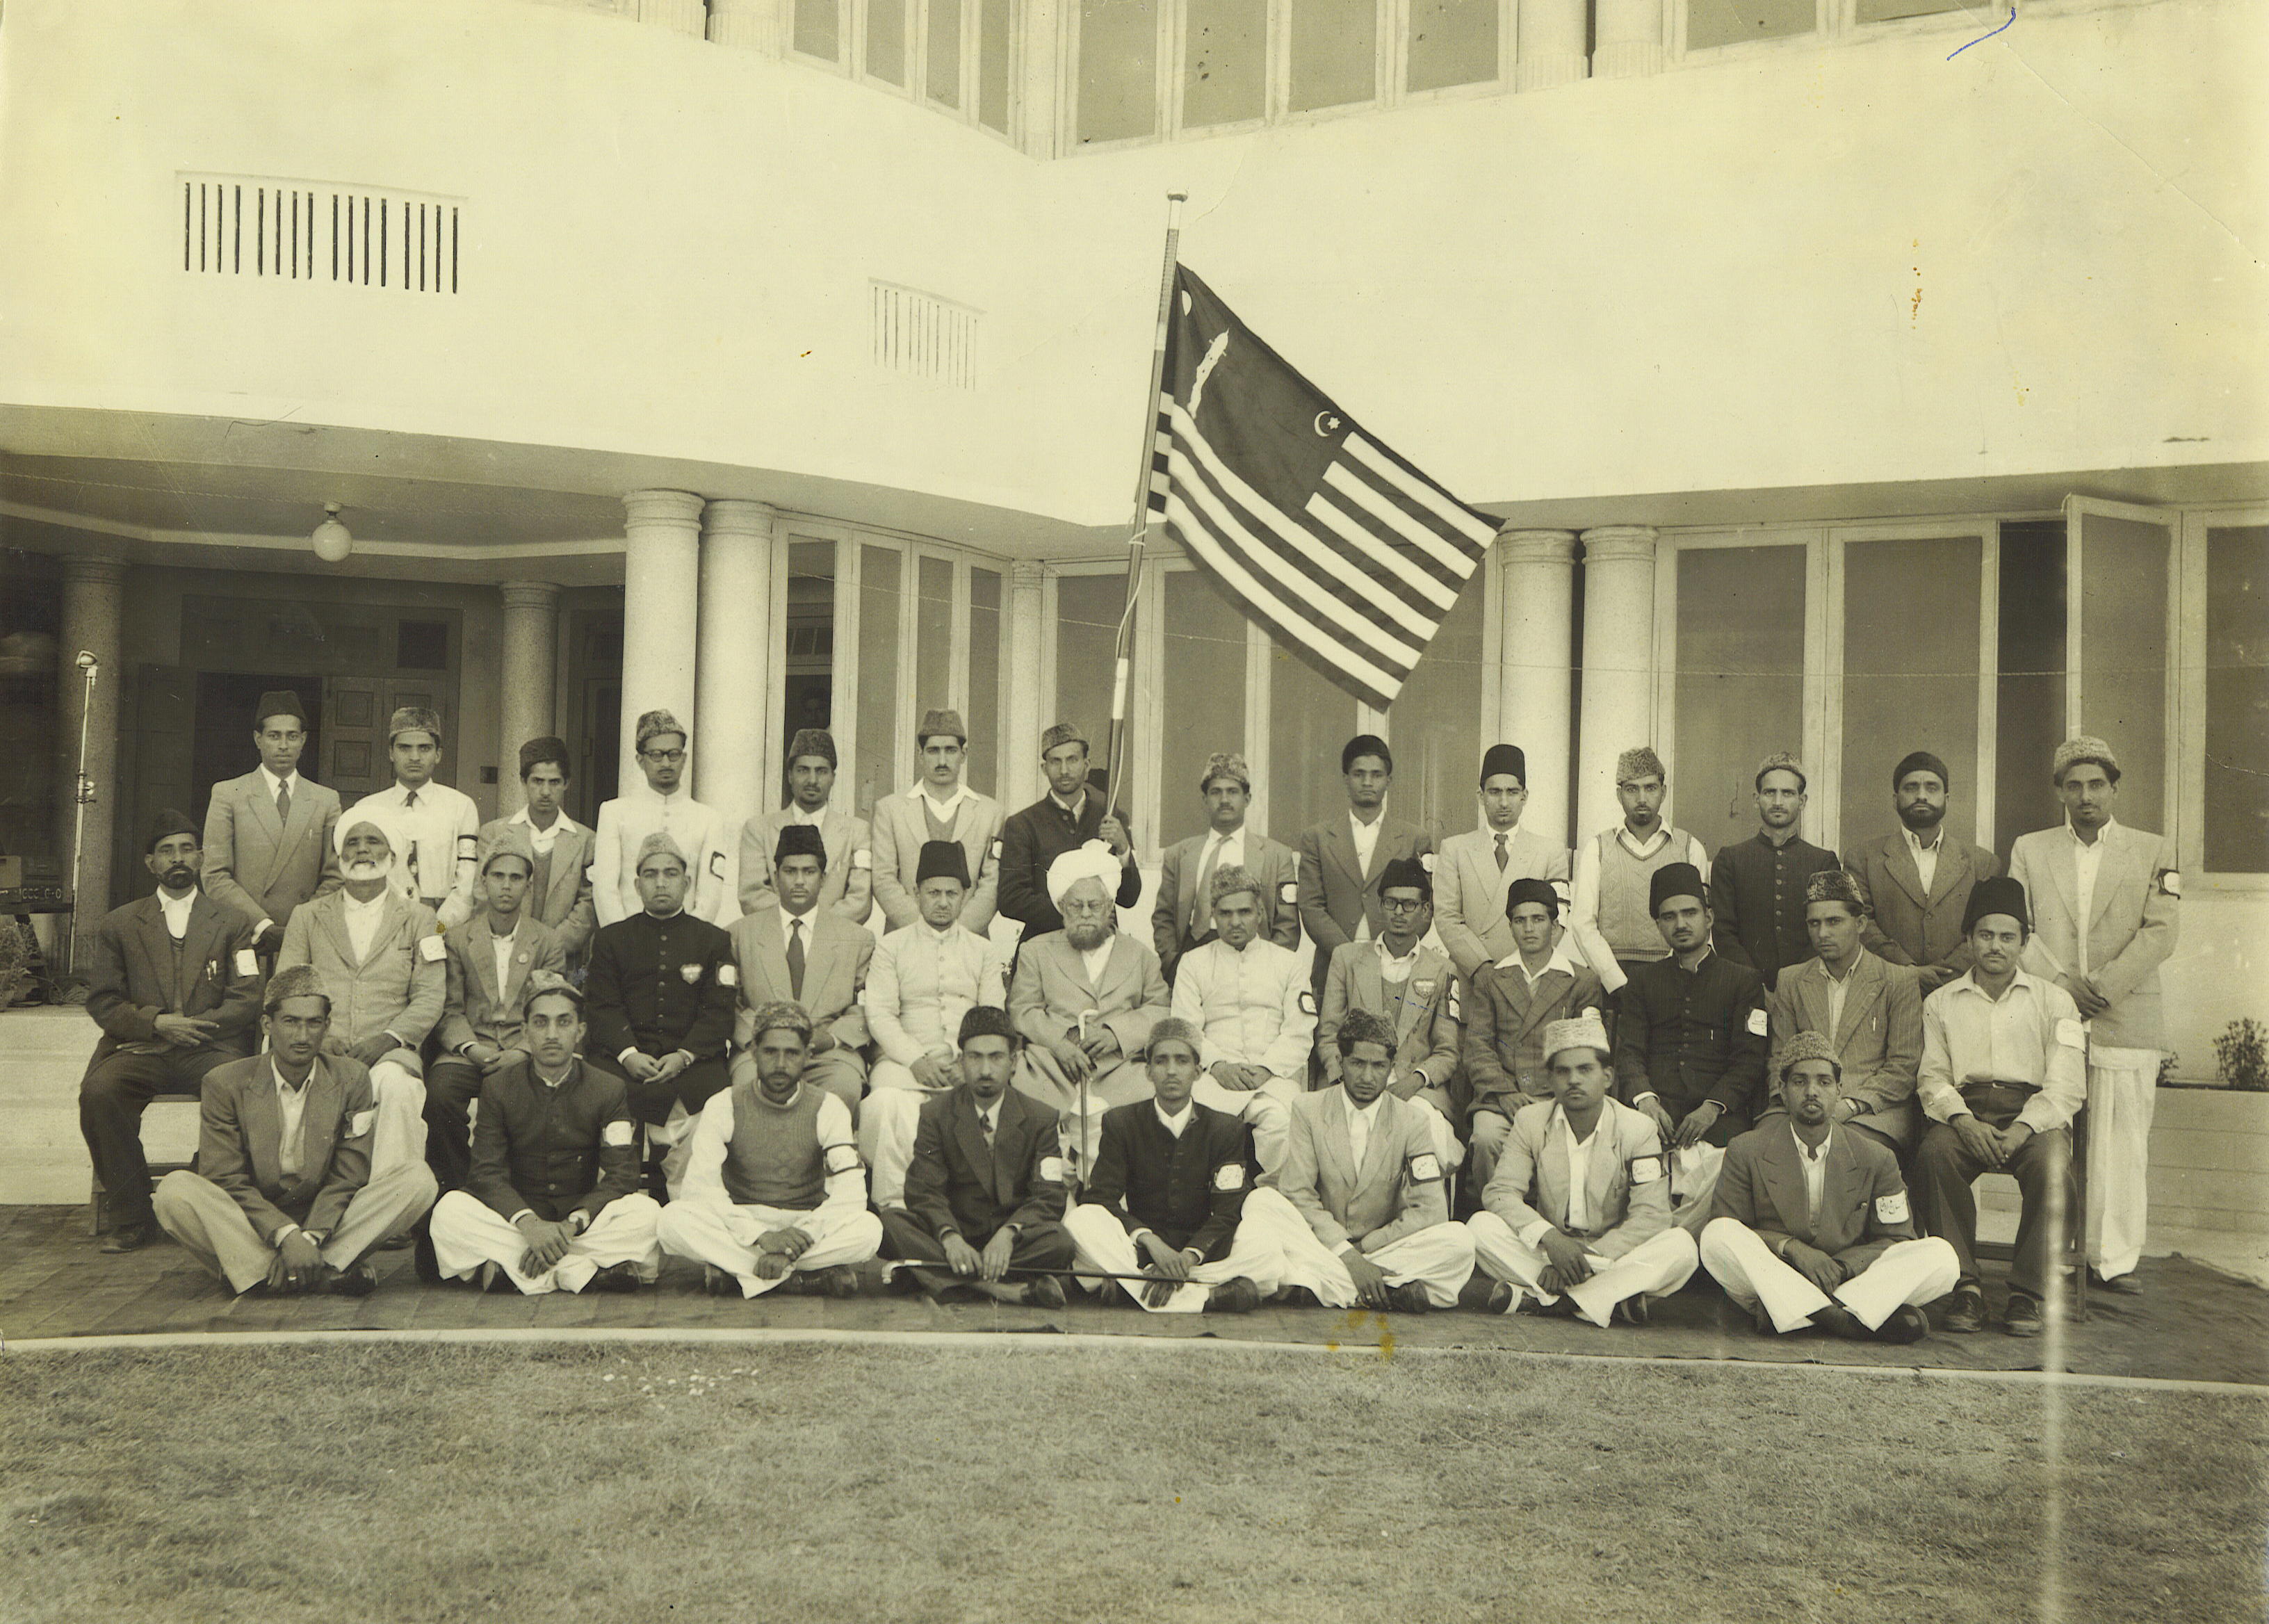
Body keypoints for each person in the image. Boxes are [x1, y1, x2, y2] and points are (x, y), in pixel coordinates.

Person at [2007, 736, 2178, 1297]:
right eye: (2074, 785)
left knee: (2122, 1138)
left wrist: (2099, 987)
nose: (2086, 796)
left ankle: (2114, 1260)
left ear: (2114, 788)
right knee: (2055, 1138)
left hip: (2124, 1013)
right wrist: (2059, 986)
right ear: (2060, 791)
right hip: (2050, 1013)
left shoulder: (2151, 849)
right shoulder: (2030, 849)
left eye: (2097, 785)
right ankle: (2055, 1256)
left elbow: (2161, 932)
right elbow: (2020, 925)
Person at [152, 966, 438, 1296]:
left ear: (327, 1026)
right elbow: (225, 1177)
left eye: (314, 1023)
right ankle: (316, 1272)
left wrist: (310, 1236)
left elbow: (350, 1175)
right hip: (252, 1219)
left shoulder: (353, 1078)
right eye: (291, 1022)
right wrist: (285, 1235)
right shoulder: (224, 1082)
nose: (303, 1036)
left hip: (327, 1219)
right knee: (174, 1192)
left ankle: (270, 1275)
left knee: (418, 1180)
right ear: (267, 1025)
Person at [1909, 875, 2085, 1337]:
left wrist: (2023, 1129)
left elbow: (2066, 1085)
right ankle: (1965, 1286)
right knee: (1932, 1156)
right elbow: (1932, 1076)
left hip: (2034, 1114)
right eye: (1985, 935)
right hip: (1963, 1111)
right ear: (1968, 939)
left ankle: (2027, 1292)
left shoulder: (2056, 1001)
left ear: (2024, 942)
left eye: (2008, 937)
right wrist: (1964, 1123)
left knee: (2052, 1167)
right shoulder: (1940, 1002)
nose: (1995, 947)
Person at [80, 811, 263, 1250]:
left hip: (210, 1048)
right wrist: (158, 1024)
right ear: (150, 864)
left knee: (241, 1088)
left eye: (186, 849)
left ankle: (204, 1190)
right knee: (100, 1093)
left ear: (200, 858)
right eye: (166, 852)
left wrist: (196, 1028)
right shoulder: (118, 924)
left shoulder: (233, 922)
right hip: (141, 1047)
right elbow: (104, 1000)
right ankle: (131, 1214)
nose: (177, 859)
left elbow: (248, 995)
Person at [1700, 1032, 1956, 1342]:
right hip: (1777, 1273)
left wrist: (1842, 1267)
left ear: (1839, 1090)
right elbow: (1730, 1226)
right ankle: (1844, 1320)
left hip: (1846, 1280)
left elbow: (1897, 1238)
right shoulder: (1746, 1149)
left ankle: (1804, 1313)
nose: (1812, 1092)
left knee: (1942, 1256)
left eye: (1823, 1082)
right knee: (1717, 1237)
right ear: (1782, 1090)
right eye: (1799, 1082)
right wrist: (1794, 1250)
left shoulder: (1876, 1157)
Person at [427, 975, 662, 1294]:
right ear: (525, 1033)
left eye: (563, 1023)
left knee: (647, 1214)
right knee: (450, 1211)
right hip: (519, 1223)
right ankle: (580, 1271)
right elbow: (485, 1172)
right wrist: (529, 1225)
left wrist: (571, 1225)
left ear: (580, 1032)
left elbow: (622, 1175)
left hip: (578, 1224)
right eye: (540, 1023)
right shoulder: (498, 1087)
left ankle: (518, 1270)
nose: (552, 1035)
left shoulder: (607, 1088)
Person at [1235, 1010, 1477, 1313]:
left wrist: (1362, 1253)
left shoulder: (1412, 1120)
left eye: (1378, 1066)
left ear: (1391, 1067)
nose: (1367, 1077)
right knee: (1261, 1202)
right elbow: (1298, 1193)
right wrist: (1346, 1254)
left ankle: (1320, 1286)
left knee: (1461, 1241)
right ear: (1341, 1062)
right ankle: (1385, 1289)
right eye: (1358, 1063)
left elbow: (1430, 1209)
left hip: (1379, 1247)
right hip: (1322, 1240)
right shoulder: (1308, 1108)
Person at [1465, 1013, 1698, 1324]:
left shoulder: (1638, 1129)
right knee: (1480, 1228)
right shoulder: (1531, 1121)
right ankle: (1607, 1300)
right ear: (1550, 1081)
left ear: (1608, 1077)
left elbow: (1651, 1215)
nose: (1573, 1080)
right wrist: (1551, 1239)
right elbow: (1501, 1192)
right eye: (1563, 1072)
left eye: (1585, 1069)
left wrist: (1588, 1259)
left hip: (1611, 1253)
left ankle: (1548, 1301)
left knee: (1681, 1247)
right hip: (1550, 1250)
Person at [656, 1002, 884, 1299]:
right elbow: (701, 1187)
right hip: (745, 1223)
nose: (780, 1064)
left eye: (792, 1053)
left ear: (808, 1056)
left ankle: (746, 1270)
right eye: (770, 1052)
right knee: (672, 1220)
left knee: (868, 1230)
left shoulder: (828, 1107)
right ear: (753, 1053)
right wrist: (761, 1237)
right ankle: (799, 1275)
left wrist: (795, 1242)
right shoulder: (724, 1104)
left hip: (804, 1223)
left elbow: (850, 1192)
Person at [1061, 1018, 1281, 1314]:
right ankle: (1207, 1296)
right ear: (1148, 1071)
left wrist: (1187, 1258)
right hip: (1143, 1250)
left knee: (1265, 1246)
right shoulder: (1121, 1122)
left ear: (1198, 1071)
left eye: (1182, 1061)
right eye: (1162, 1061)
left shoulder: (1225, 1128)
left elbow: (1229, 1211)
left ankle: (1136, 1288)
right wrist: (1152, 1244)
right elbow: (1101, 1198)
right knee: (1081, 1220)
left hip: (1203, 1253)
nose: (1172, 1071)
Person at [277, 816, 445, 1180]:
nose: (363, 850)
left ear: (392, 854)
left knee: (398, 1088)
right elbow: (287, 986)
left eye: (374, 841)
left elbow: (431, 995)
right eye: (353, 842)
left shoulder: (421, 918)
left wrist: (387, 1040)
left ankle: (390, 1207)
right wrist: (319, 1037)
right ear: (340, 854)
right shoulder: (307, 916)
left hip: (389, 1051)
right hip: (319, 1046)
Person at [879, 1006, 1074, 1307]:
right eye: (975, 1057)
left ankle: (939, 1279)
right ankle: (1000, 1290)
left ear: (1014, 1062)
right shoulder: (936, 1114)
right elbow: (924, 1190)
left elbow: (1049, 1195)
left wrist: (1009, 1234)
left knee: (1059, 1242)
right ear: (961, 1061)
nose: (985, 1070)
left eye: (996, 1057)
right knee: (891, 1223)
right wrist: (949, 1237)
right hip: (954, 1236)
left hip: (1010, 1244)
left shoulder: (1040, 1117)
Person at [1611, 863, 1768, 1229]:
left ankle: (1679, 1242)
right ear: (1659, 925)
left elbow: (1750, 1059)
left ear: (1709, 918)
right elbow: (1628, 1052)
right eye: (1669, 917)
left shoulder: (1743, 981)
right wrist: (1645, 1100)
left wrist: (1712, 1108)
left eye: (1689, 913)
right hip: (1655, 1115)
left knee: (1733, 1171)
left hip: (1719, 1117)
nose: (1680, 924)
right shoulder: (1642, 983)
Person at [1008, 841, 1172, 1171]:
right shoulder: (1035, 951)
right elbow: (1022, 1010)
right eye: (1075, 906)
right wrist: (1059, 1043)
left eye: (1093, 906)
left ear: (1110, 908)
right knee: (1034, 1143)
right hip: (1052, 1068)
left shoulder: (1140, 956)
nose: (1084, 915)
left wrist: (1116, 1034)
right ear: (1062, 908)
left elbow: (1159, 1009)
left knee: (1146, 1129)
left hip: (1119, 1069)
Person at [859, 841, 1006, 1208]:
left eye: (952, 894)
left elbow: (991, 1014)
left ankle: (962, 1205)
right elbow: (879, 1014)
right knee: (884, 1105)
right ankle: (895, 1205)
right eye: (933, 892)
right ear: (916, 894)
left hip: (968, 1064)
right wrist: (915, 1059)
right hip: (902, 1063)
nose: (943, 902)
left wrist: (966, 1061)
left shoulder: (984, 950)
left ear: (965, 896)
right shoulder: (891, 947)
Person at [423, 827, 567, 1194]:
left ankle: (520, 1194)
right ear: (483, 882)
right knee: (440, 1094)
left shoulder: (547, 941)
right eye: (498, 877)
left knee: (542, 1098)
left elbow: (549, 1007)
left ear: (528, 886)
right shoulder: (456, 938)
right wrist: (472, 1049)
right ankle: (456, 1190)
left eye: (516, 878)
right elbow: (449, 1007)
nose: (506, 886)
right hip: (470, 1050)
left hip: (525, 1051)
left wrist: (521, 1051)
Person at [583, 832, 738, 1169]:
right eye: (650, 875)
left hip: (691, 1063)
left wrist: (683, 1056)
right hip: (623, 1062)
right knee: (599, 1090)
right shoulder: (611, 939)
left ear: (687, 882)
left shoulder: (714, 940)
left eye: (670, 874)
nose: (661, 883)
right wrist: (628, 1055)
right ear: (637, 886)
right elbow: (600, 1007)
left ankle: (689, 1197)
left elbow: (719, 1012)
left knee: (716, 1102)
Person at [1166, 865, 1315, 1176]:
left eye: (1245, 912)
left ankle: (1281, 1205)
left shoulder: (1288, 963)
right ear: (1214, 916)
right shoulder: (1193, 963)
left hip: (1274, 1079)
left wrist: (1266, 1069)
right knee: (1189, 1128)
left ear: (1260, 912)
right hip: (1212, 1079)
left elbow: (1299, 1030)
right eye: (1225, 913)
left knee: (1287, 1128)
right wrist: (1219, 1065)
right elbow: (1186, 1028)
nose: (1235, 922)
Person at [1315, 856, 1462, 1169]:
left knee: (1428, 1133)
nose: (1399, 913)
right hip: (1353, 1079)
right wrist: (1345, 1075)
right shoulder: (1348, 958)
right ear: (1380, 906)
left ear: (1425, 910)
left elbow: (1447, 1051)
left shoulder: (1442, 969)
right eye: (1391, 903)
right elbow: (1329, 1033)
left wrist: (1416, 1081)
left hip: (1413, 1088)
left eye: (1409, 905)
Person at [1762, 868, 1921, 1156]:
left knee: (1845, 1154)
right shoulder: (1791, 980)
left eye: (1834, 921)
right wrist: (1800, 1103)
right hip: (1800, 1105)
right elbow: (1780, 1058)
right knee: (1758, 1150)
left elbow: (1903, 1066)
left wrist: (1848, 1105)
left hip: (1872, 1111)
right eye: (1814, 923)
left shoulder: (1898, 980)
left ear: (1860, 924)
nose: (1822, 933)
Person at [1461, 877, 1607, 1191]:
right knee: (1486, 1137)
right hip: (1502, 1097)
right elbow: (1478, 1046)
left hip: (1557, 1095)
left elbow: (1585, 1051)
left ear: (1554, 926)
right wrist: (1504, 1093)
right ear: (1510, 927)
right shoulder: (1491, 979)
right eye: (1520, 920)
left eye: (1538, 920)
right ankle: (1497, 1213)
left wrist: (1552, 1097)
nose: (1529, 929)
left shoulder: (1581, 981)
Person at [724, 824, 873, 1117]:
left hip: (828, 1053)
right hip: (760, 1051)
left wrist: (830, 1038)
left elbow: (866, 1010)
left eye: (809, 871)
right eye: (790, 872)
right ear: (775, 877)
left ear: (824, 878)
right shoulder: (739, 935)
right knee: (746, 1088)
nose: (800, 881)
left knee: (843, 1088)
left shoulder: (857, 939)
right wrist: (765, 1039)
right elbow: (730, 1005)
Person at [200, 688, 341, 961]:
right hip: (246, 933)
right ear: (258, 739)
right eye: (274, 736)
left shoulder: (325, 800)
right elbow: (215, 875)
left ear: (304, 741)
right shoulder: (229, 794)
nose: (284, 745)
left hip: (304, 936)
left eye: (292, 736)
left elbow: (335, 875)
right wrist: (263, 926)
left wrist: (300, 926)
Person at [1842, 750, 1999, 993]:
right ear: (1895, 799)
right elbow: (1860, 924)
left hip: (1961, 991)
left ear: (1947, 798)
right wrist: (1907, 970)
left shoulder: (1982, 862)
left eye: (1932, 788)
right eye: (1911, 787)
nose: (1922, 796)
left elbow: (1988, 927)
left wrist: (1947, 973)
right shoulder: (1863, 858)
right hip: (1889, 990)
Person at [1296, 733, 1434, 1007]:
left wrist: (1389, 950)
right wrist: (1347, 954)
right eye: (1359, 774)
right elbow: (1311, 906)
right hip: (1334, 962)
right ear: (1345, 778)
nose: (1368, 782)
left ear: (1388, 781)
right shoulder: (1318, 837)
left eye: (1376, 775)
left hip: (1395, 964)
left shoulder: (1414, 838)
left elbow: (1425, 907)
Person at [1566, 746, 1710, 993]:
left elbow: (1701, 923)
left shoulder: (1689, 848)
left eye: (1650, 788)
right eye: (1632, 789)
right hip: (1612, 982)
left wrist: (1672, 974)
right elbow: (1582, 924)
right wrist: (1617, 982)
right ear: (1619, 794)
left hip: (1676, 979)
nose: (1642, 798)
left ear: (1663, 792)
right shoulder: (1598, 848)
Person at [1150, 752, 1301, 986]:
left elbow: (1287, 926)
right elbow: (1164, 917)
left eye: (1233, 792)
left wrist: (1269, 970)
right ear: (1204, 799)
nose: (1224, 800)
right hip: (1194, 954)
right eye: (1215, 792)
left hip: (1255, 959)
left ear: (1248, 799)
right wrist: (1173, 963)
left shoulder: (1275, 855)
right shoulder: (1179, 855)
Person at [1432, 745, 1573, 981]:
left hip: (1528, 976)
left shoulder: (1550, 852)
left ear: (1524, 796)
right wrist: (1482, 968)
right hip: (1473, 975)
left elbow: (1559, 918)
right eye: (1495, 792)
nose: (1504, 802)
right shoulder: (1455, 849)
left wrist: (1523, 967)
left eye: (1512, 792)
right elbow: (1447, 918)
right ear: (1481, 796)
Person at [1706, 753, 1840, 993]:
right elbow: (1724, 933)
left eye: (1788, 793)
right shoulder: (1730, 859)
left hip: (1808, 987)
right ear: (1757, 800)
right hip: (1745, 989)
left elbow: (1826, 931)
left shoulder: (1823, 862)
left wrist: (1794, 983)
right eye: (1770, 793)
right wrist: (1754, 986)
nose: (1778, 802)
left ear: (1803, 801)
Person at [997, 722, 1140, 945]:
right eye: (1056, 761)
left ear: (1087, 765)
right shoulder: (1023, 824)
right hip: (1045, 946)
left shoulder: (1111, 817)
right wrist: (1076, 913)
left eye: (1072, 760)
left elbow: (1129, 897)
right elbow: (1010, 899)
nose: (1064, 770)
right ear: (1044, 768)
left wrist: (1123, 849)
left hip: (1102, 947)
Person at [591, 710, 735, 927]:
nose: (666, 763)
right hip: (626, 941)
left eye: (674, 754)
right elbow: (605, 889)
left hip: (688, 941)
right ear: (640, 761)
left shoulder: (708, 819)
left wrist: (689, 939)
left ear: (684, 759)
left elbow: (710, 892)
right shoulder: (614, 813)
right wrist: (620, 941)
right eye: (656, 755)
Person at [869, 708, 1004, 934]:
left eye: (950, 750)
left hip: (969, 942)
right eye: (933, 751)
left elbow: (992, 884)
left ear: (964, 754)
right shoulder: (890, 809)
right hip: (905, 940)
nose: (942, 761)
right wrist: (922, 931)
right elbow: (883, 879)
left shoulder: (990, 812)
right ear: (920, 754)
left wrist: (958, 934)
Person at [348, 706, 481, 929]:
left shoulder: (461, 806)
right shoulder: (367, 808)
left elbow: (467, 879)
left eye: (425, 748)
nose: (415, 757)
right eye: (404, 748)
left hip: (444, 924)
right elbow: (360, 873)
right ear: (391, 753)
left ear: (438, 754)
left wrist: (439, 926)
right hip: (382, 925)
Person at [477, 737, 596, 968]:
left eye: (554, 782)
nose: (545, 791)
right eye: (537, 781)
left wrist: (549, 945)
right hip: (502, 953)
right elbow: (482, 895)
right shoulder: (494, 833)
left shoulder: (585, 839)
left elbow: (587, 906)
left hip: (560, 958)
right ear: (524, 781)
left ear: (567, 783)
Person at [736, 728, 874, 924]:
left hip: (832, 940)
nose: (812, 780)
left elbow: (860, 900)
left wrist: (814, 927)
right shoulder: (759, 829)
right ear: (790, 776)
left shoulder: (857, 831)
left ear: (833, 778)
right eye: (803, 770)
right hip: (776, 937)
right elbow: (752, 895)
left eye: (821, 771)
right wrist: (793, 924)